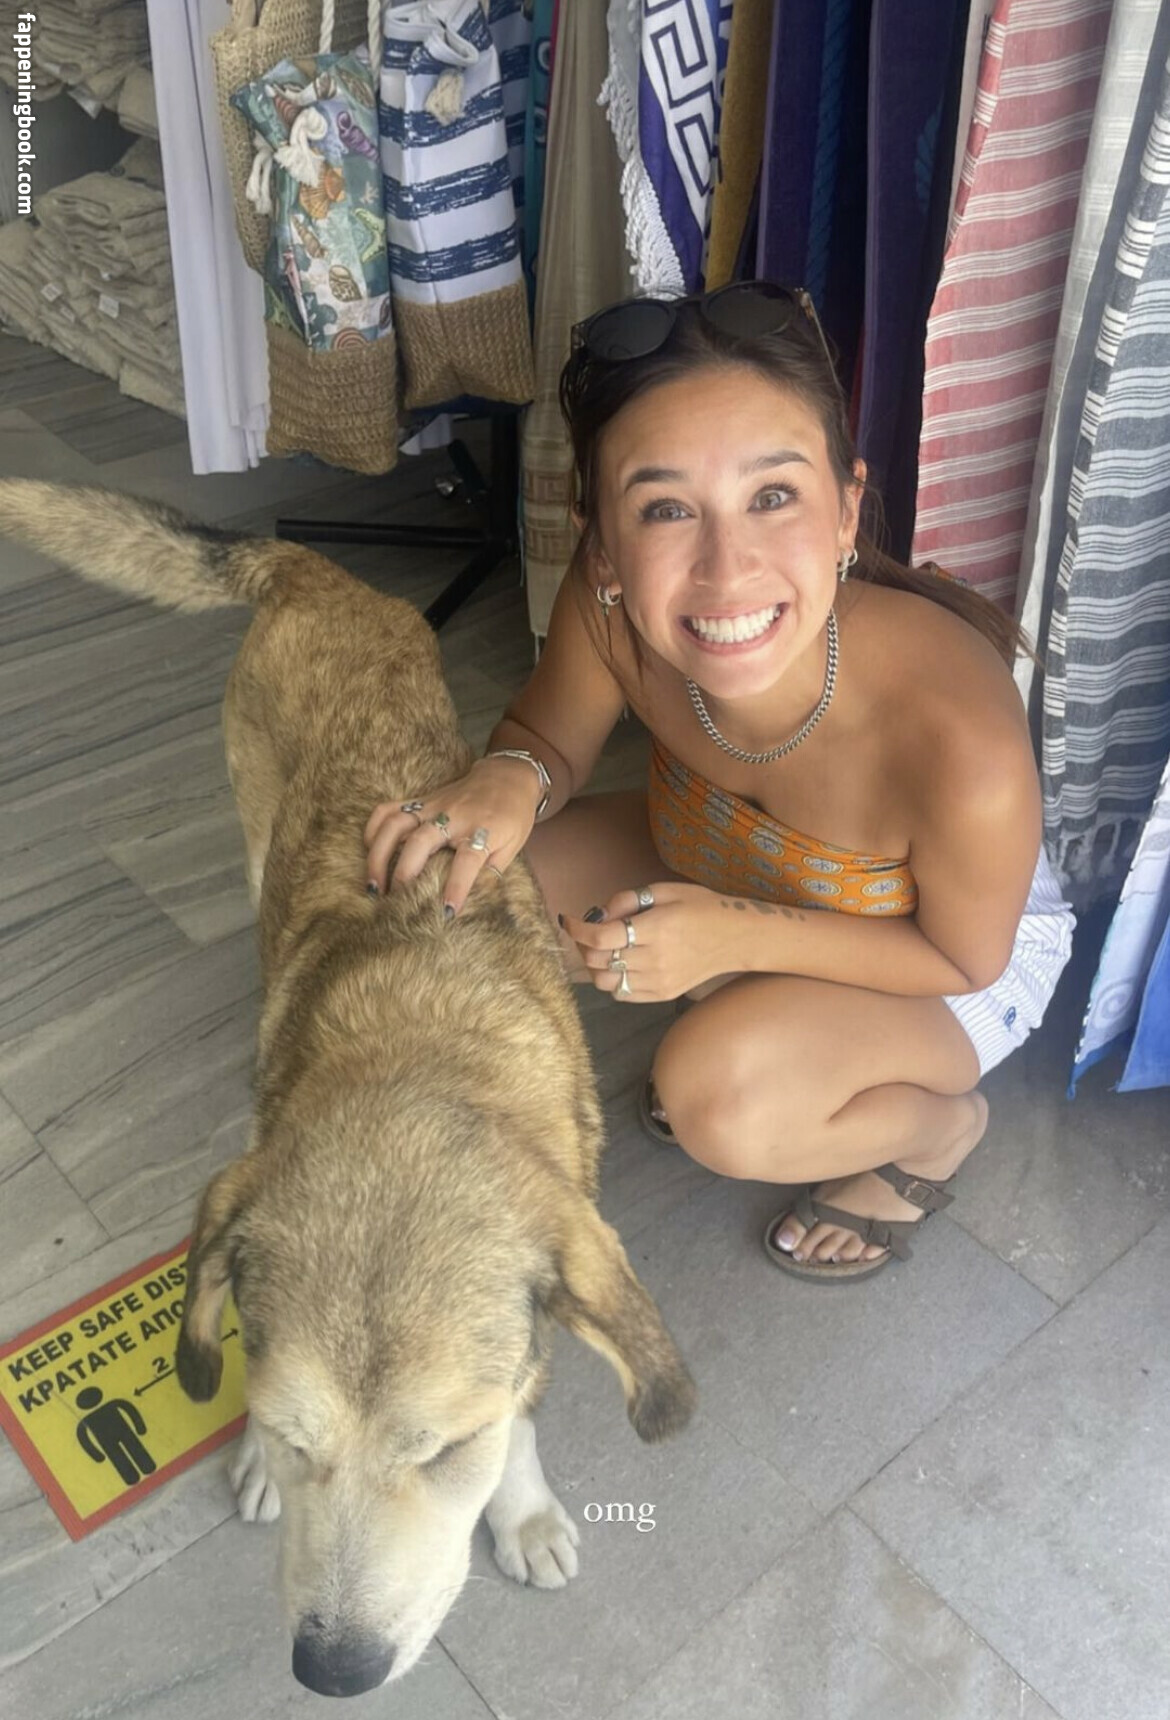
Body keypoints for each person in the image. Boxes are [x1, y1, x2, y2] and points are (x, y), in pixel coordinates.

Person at [363, 282, 1075, 1283]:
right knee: (453, 890)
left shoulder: (958, 741)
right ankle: (749, 1003)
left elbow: (961, 956)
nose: (725, 568)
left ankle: (935, 1132)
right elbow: (546, 736)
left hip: (944, 956)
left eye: (772, 496)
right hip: (725, 860)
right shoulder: (607, 609)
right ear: (599, 540)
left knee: (716, 1099)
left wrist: (729, 935)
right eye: (665, 509)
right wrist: (509, 779)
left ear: (846, 509)